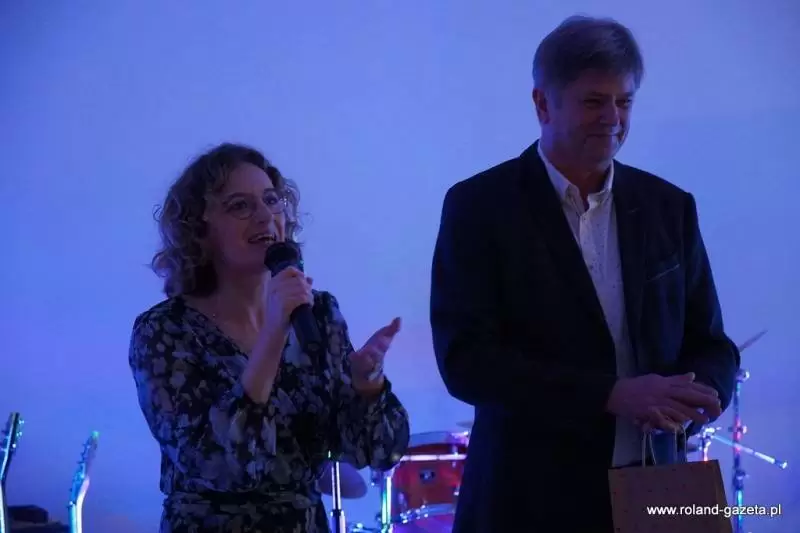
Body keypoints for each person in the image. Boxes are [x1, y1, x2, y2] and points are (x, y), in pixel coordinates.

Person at [429, 15, 740, 533]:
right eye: (594, 101)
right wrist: (610, 394)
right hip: (529, 501)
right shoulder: (479, 207)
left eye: (625, 101)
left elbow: (712, 345)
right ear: (542, 104)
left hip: (658, 492)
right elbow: (467, 361)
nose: (613, 118)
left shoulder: (669, 206)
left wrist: (700, 392)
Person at [129, 143, 411, 533]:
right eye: (240, 206)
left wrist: (368, 385)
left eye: (271, 200)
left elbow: (375, 453)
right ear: (200, 230)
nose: (265, 215)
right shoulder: (164, 330)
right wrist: (274, 332)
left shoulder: (318, 312)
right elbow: (220, 466)